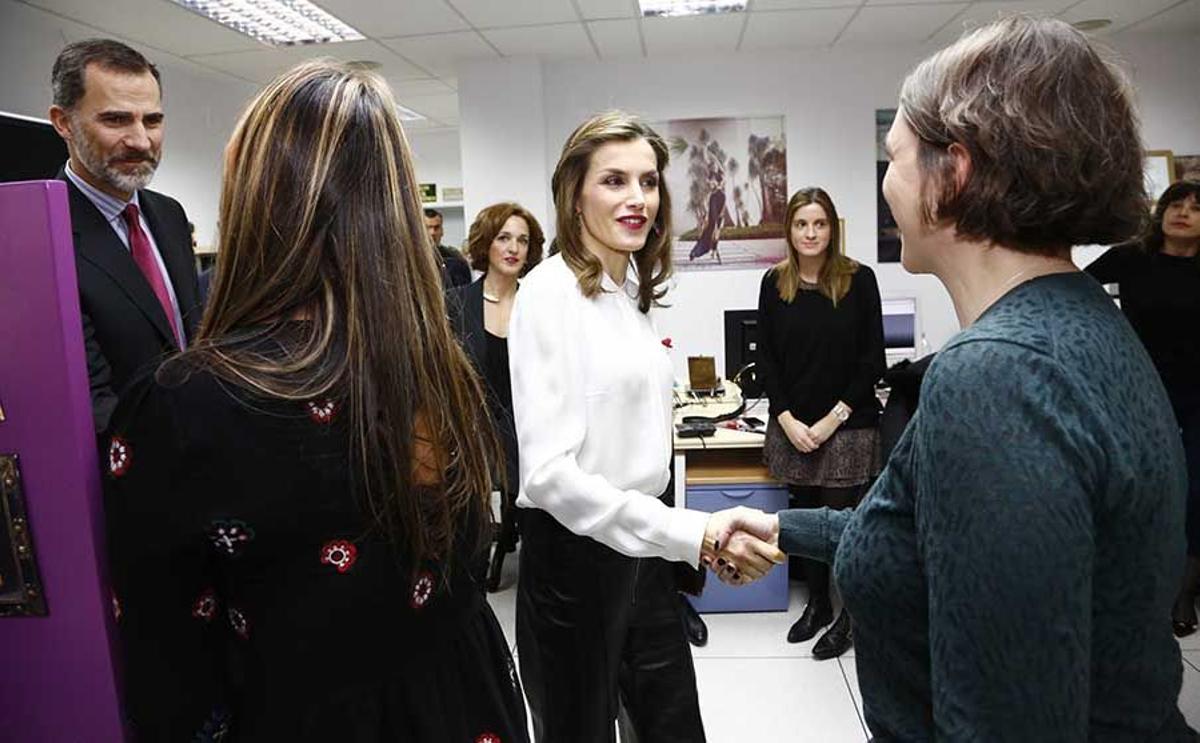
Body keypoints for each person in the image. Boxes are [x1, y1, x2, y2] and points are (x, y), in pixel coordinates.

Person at [716, 16, 1195, 740]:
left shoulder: (997, 378)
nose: (885, 183)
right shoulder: (1080, 318)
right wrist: (786, 528)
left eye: (894, 157)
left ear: (954, 172)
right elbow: (932, 531)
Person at [102, 61, 527, 741]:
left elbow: (170, 668)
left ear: (257, 200)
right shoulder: (437, 360)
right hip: (464, 697)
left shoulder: (185, 404)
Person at [508, 110, 783, 743]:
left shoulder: (630, 287)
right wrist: (694, 530)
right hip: (575, 563)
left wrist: (685, 538)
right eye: (614, 181)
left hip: (645, 552)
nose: (638, 199)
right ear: (574, 194)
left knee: (673, 725)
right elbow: (549, 475)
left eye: (649, 181)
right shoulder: (548, 294)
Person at [48, 38, 201, 435]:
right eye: (116, 120)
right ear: (63, 122)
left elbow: (190, 340)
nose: (140, 140)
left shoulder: (169, 214)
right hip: (127, 467)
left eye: (152, 120)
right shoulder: (42, 236)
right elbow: (88, 400)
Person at [757, 186, 885, 658]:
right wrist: (786, 418)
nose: (811, 233)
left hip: (846, 426)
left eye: (820, 224)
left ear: (832, 229)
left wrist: (833, 419)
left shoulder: (859, 280)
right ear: (789, 231)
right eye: (801, 224)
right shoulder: (775, 284)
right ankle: (816, 606)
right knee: (805, 521)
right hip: (794, 427)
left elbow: (873, 360)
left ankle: (850, 614)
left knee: (843, 527)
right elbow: (767, 360)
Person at [1086, 180, 1200, 637]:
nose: (1184, 212)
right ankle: (1128, 583)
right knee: (1134, 482)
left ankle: (1184, 590)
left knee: (1196, 489)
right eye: (1176, 203)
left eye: (1196, 207)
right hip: (1138, 386)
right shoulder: (1132, 257)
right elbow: (1074, 288)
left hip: (1198, 392)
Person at [447, 201, 545, 591]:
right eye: (504, 237)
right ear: (486, 243)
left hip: (532, 428)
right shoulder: (454, 303)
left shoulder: (540, 304)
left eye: (522, 240)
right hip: (474, 432)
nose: (513, 248)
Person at [425, 207, 472, 287]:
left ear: (442, 231)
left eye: (436, 228)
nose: (432, 232)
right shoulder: (409, 259)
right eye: (427, 228)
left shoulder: (455, 259)